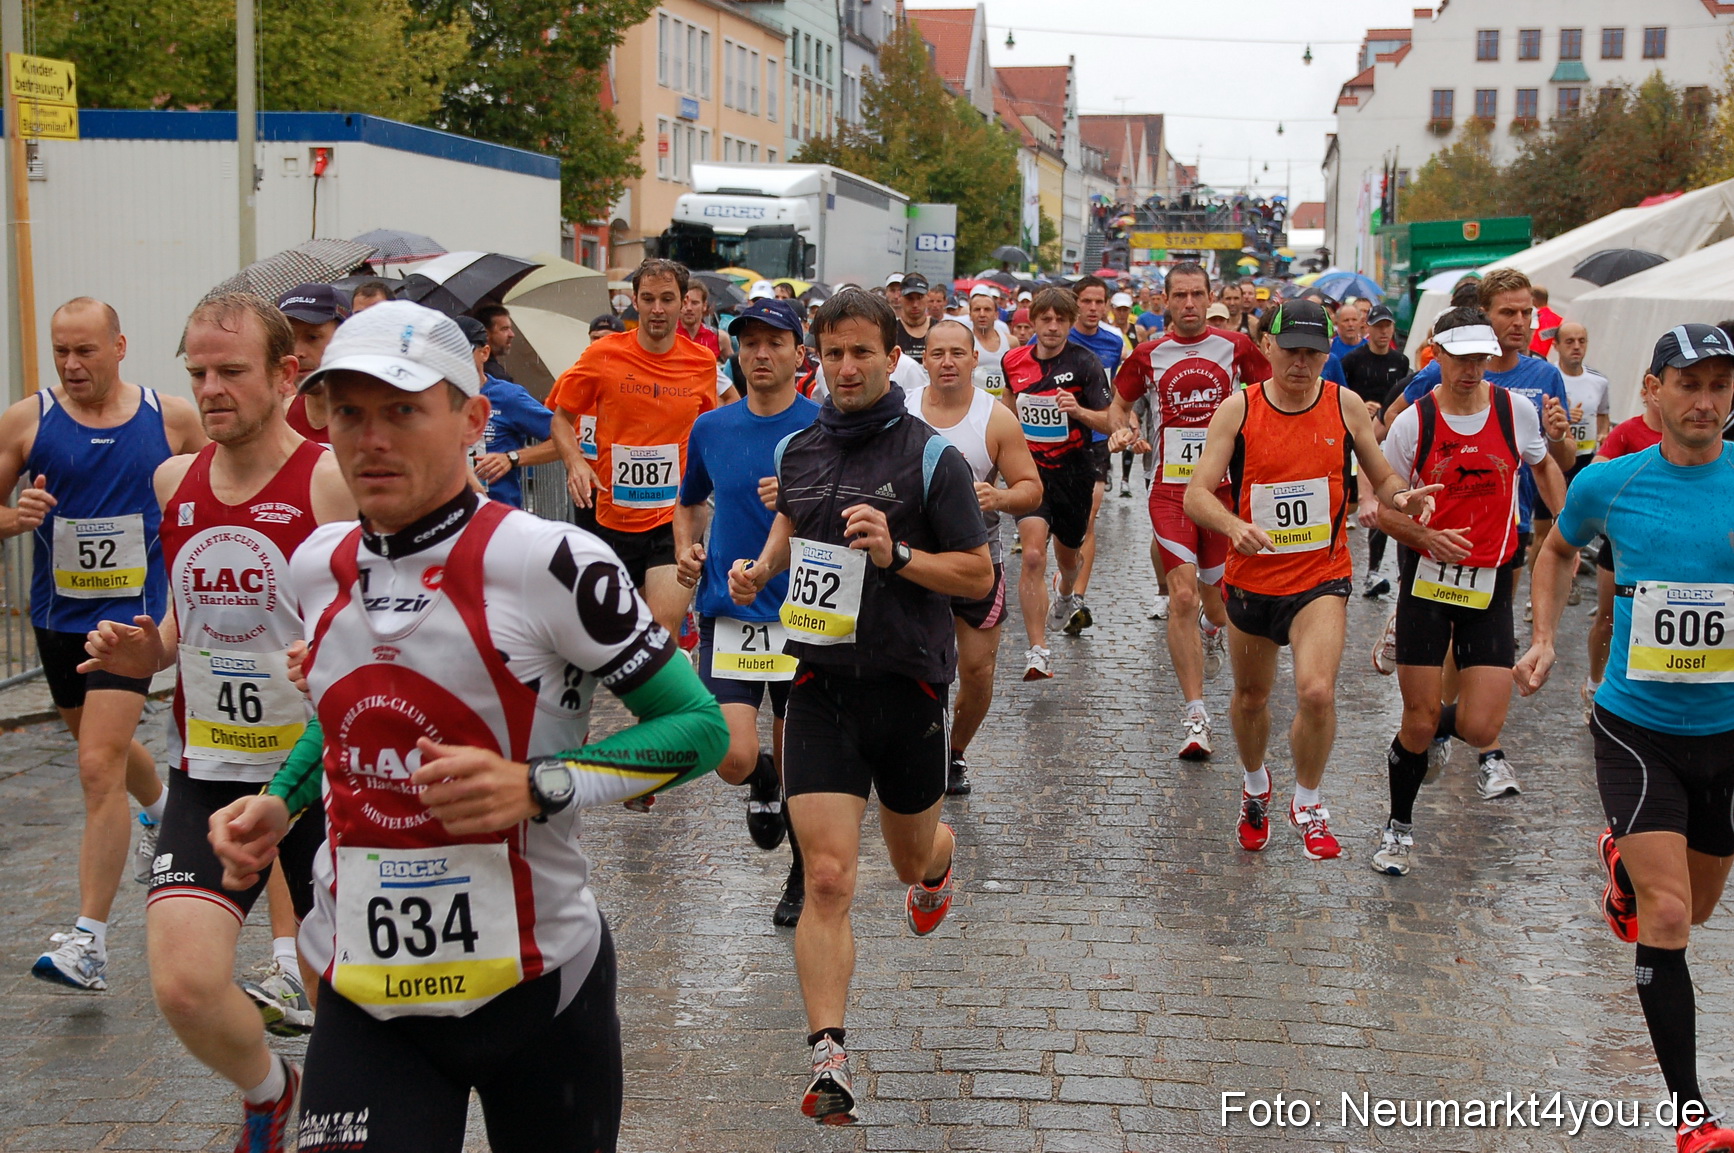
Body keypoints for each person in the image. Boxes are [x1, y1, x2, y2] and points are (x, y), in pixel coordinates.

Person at [205, 299, 728, 1152]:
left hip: (537, 986)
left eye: (403, 410)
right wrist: (279, 801)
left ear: (472, 418)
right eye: (350, 412)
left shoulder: (546, 561)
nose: (371, 438)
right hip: (366, 991)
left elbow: (701, 727)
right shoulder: (314, 564)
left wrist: (534, 786)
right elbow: (344, 718)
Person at [78, 292, 354, 1146]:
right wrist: (147, 652)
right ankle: (271, 1089)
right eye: (197, 371)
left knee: (347, 996)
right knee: (185, 985)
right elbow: (179, 620)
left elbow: (373, 616)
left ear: (285, 373)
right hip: (211, 771)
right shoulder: (175, 480)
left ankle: (350, 1120)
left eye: (231, 370)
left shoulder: (328, 477)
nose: (211, 388)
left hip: (321, 779)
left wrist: (333, 660)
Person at [726, 289, 993, 1125]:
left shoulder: (932, 458)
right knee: (830, 876)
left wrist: (899, 551)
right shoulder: (800, 447)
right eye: (833, 354)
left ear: (890, 360)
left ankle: (938, 863)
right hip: (819, 689)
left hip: (909, 687)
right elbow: (792, 526)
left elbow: (978, 577)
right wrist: (761, 569)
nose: (846, 368)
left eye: (861, 354)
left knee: (910, 859)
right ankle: (829, 1056)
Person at [1514, 322, 1734, 1153]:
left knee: (1702, 902)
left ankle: (1622, 865)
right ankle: (1692, 1115)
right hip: (1636, 724)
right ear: (1653, 391)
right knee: (1670, 913)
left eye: (1720, 384)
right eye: (1690, 384)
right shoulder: (1611, 481)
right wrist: (1541, 637)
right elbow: (1556, 551)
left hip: (1726, 728)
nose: (1706, 400)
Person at [1183, 299, 1438, 859]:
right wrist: (1233, 525)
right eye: (1292, 351)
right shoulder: (1238, 409)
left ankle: (1309, 799)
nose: (1302, 363)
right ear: (1268, 347)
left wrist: (1402, 495)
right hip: (1252, 579)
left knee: (1317, 692)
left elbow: (1383, 474)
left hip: (1321, 577)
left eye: (1315, 354)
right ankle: (1255, 787)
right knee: (1251, 698)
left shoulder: (1343, 405)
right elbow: (1196, 493)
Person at [0, 298, 205, 990]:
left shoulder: (169, 416)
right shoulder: (27, 420)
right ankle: (163, 811)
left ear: (120, 345)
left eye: (85, 350)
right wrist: (12, 515)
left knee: (95, 765)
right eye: (61, 350)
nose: (71, 363)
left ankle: (88, 941)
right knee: (104, 751)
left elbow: (216, 488)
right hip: (56, 619)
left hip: (128, 616)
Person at [1369, 308, 1562, 877]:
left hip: (1492, 580)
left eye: (1481, 357)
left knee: (1480, 727)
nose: (1472, 368)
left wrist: (1566, 517)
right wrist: (1421, 528)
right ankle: (1399, 827)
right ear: (1437, 355)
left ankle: (1419, 739)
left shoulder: (1514, 411)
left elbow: (1545, 465)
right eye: (1461, 357)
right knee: (1421, 717)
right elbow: (1382, 507)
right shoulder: (1415, 423)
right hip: (1427, 583)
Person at [675, 298, 819, 928]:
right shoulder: (712, 427)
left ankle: (802, 871)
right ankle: (761, 781)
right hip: (729, 616)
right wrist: (686, 549)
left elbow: (847, 518)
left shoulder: (824, 428)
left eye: (775, 343)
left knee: (804, 767)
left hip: (802, 616)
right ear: (735, 351)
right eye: (749, 342)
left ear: (798, 354)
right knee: (729, 757)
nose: (761, 354)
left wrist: (799, 500)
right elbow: (689, 502)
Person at [1109, 262, 1270, 760]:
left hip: (1222, 496)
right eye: (1179, 296)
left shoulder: (1236, 347)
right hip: (1171, 492)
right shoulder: (1147, 354)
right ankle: (1196, 715)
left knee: (1217, 604)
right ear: (1165, 300)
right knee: (1181, 595)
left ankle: (1211, 628)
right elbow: (1119, 403)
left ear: (1210, 296)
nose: (1190, 305)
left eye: (1198, 295)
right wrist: (1124, 428)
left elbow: (1273, 394)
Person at [547, 259, 718, 635]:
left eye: (668, 299)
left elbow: (710, 430)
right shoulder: (603, 355)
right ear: (635, 302)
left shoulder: (702, 363)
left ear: (684, 303)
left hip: (673, 517)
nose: (658, 309)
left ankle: (668, 682)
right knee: (609, 634)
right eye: (649, 298)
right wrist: (575, 462)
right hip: (612, 516)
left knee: (661, 629)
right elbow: (560, 418)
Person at [907, 320, 1042, 795]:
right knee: (911, 665)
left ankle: (955, 752)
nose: (947, 362)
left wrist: (998, 498)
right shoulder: (901, 411)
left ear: (973, 360)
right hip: (913, 564)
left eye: (957, 354)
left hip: (978, 563)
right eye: (937, 353)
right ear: (924, 359)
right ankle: (912, 747)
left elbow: (1030, 489)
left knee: (978, 671)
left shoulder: (995, 418)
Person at [1002, 288, 1113, 680]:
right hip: (1030, 473)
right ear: (1032, 323)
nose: (1052, 327)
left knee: (1068, 558)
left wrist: (1077, 410)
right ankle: (1038, 650)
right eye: (1045, 319)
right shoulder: (1013, 360)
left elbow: (1110, 421)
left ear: (1069, 323)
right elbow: (1007, 407)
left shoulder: (1085, 364)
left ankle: (1065, 591)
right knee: (1032, 555)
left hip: (1075, 472)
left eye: (1060, 320)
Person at [1582, 397, 1664, 724]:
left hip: (1661, 552)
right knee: (1607, 620)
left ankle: (1641, 698)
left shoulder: (1690, 437)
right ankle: (1593, 684)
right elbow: (1595, 472)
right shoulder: (1629, 431)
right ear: (1650, 390)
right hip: (1620, 548)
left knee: (1651, 626)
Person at [1058, 275, 1128, 635]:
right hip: (1057, 438)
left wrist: (1127, 425)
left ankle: (1077, 597)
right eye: (1086, 301)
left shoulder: (1114, 341)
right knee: (1058, 521)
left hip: (1097, 436)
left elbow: (1121, 389)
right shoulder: (1059, 335)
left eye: (1100, 302)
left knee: (1090, 513)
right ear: (1075, 303)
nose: (1093, 309)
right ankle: (1063, 582)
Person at [1529, 320, 1610, 605]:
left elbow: (1602, 415)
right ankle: (1534, 593)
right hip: (1550, 459)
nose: (1576, 347)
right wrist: (1561, 426)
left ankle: (1568, 582)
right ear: (1556, 345)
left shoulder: (1599, 381)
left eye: (1582, 341)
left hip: (1583, 461)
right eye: (1570, 341)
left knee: (1577, 530)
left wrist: (1602, 432)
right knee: (1544, 531)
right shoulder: (1547, 378)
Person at [453, 317, 559, 510]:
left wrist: (512, 458)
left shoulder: (508, 397)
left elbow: (564, 441)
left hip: (498, 517)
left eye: (462, 353)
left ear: (484, 353)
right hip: (447, 518)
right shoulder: (434, 398)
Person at [1342, 303, 1410, 597]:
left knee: (1387, 500)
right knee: (1352, 504)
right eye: (1377, 326)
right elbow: (1339, 393)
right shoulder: (1353, 360)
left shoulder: (1401, 361)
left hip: (1389, 437)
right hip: (1357, 435)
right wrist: (1361, 404)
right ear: (1366, 329)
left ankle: (1375, 570)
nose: (1383, 332)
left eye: (1387, 326)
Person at [279, 284, 349, 446]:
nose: (298, 352)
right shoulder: (279, 419)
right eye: (289, 340)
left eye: (312, 337)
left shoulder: (373, 421)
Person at [968, 286, 1010, 400]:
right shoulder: (963, 342)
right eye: (977, 309)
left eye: (987, 309)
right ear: (970, 315)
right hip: (974, 405)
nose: (982, 314)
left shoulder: (1011, 342)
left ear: (996, 314)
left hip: (1001, 407)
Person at [679, 282, 734, 361]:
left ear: (704, 305)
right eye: (685, 303)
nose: (689, 308)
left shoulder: (719, 338)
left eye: (694, 303)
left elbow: (734, 368)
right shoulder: (668, 336)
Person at [894, 274, 934, 365]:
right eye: (909, 298)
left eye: (920, 297)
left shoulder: (939, 329)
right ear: (900, 298)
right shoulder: (891, 330)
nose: (915, 304)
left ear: (928, 297)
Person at [474, 304, 517, 382]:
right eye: (504, 329)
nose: (512, 334)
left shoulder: (470, 365)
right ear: (486, 334)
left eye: (510, 328)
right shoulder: (496, 376)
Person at [1530, 284, 1562, 359]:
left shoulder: (1535, 319)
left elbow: (1534, 347)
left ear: (1533, 300)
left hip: (1537, 360)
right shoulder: (1559, 320)